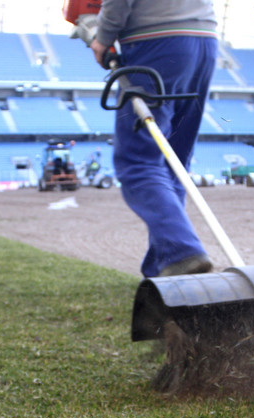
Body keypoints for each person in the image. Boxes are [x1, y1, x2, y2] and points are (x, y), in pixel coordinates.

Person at [89, 0, 217, 278]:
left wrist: (103, 37)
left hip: (156, 42)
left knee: (138, 163)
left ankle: (181, 252)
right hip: (204, 41)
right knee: (174, 164)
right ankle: (160, 269)